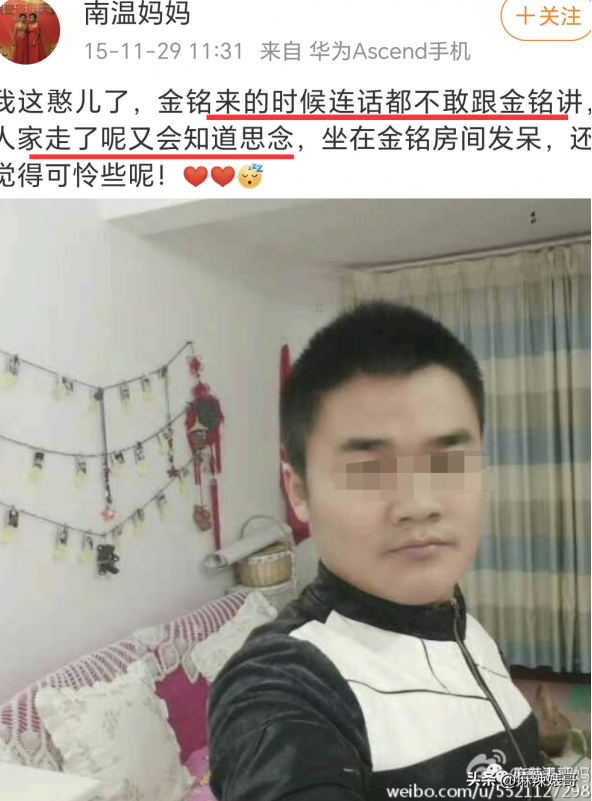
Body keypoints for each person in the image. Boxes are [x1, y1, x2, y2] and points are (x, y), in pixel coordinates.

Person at [207, 301, 548, 800]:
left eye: (449, 462)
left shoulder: (466, 629)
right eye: (369, 470)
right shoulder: (287, 684)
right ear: (298, 491)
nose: (419, 504)